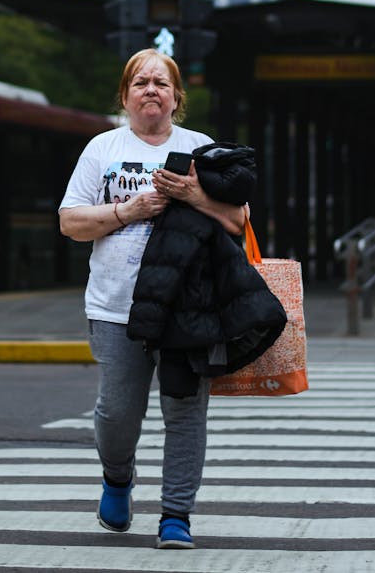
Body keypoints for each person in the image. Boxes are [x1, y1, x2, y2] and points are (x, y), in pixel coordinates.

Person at [58, 48, 247, 551]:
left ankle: (176, 514)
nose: (150, 91)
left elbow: (237, 221)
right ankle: (117, 479)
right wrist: (131, 208)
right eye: (140, 83)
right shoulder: (102, 148)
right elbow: (71, 222)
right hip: (116, 306)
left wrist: (192, 196)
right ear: (125, 95)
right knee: (118, 414)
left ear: (176, 98)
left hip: (188, 310)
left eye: (161, 84)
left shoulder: (201, 148)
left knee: (185, 412)